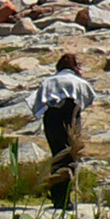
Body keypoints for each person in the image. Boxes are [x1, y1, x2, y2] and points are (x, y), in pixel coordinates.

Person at [30, 53, 97, 210]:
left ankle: (57, 197)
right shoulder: (78, 82)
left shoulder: (49, 81)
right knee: (70, 158)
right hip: (70, 119)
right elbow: (89, 99)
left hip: (52, 120)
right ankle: (65, 199)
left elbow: (37, 107)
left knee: (58, 157)